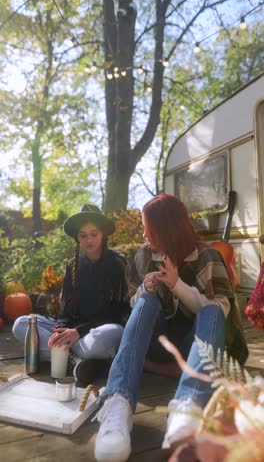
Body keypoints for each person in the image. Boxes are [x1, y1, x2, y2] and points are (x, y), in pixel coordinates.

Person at [93, 194, 248, 462]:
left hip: (198, 348)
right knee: (146, 301)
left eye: (149, 230)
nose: (144, 235)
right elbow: (133, 303)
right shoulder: (143, 256)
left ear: (169, 230)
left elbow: (221, 312)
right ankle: (117, 401)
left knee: (212, 308)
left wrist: (177, 284)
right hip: (160, 343)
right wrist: (146, 289)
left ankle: (188, 405)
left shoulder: (207, 256)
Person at [13, 204, 130, 382]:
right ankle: (78, 362)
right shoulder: (73, 265)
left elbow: (116, 313)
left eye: (94, 234)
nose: (89, 240)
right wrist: (61, 331)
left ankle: (62, 355)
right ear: (77, 238)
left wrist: (77, 332)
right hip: (74, 331)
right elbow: (65, 310)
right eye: (83, 235)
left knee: (111, 333)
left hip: (96, 332)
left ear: (103, 235)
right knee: (22, 324)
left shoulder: (117, 263)